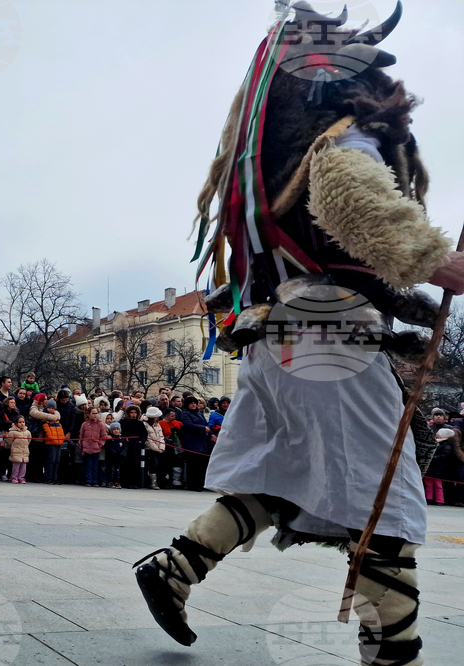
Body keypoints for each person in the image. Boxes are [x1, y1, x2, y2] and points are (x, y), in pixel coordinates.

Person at [135, 7, 447, 663]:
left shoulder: (271, 155)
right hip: (335, 338)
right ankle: (394, 646)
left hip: (275, 332)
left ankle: (176, 567)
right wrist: (436, 262)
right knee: (382, 491)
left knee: (276, 475)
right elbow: (354, 202)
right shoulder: (338, 139)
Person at [178, 397, 211, 492]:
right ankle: (192, 484)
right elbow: (188, 425)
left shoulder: (199, 414)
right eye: (191, 403)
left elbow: (206, 424)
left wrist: (210, 432)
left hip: (202, 442)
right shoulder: (185, 414)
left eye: (195, 403)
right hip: (192, 441)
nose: (193, 405)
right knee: (193, 464)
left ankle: (200, 483)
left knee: (202, 464)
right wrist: (202, 428)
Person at [79, 407, 108, 488]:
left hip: (96, 448)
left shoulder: (100, 424)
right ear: (88, 414)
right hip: (87, 448)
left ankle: (95, 481)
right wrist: (82, 447)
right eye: (93, 413)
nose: (95, 415)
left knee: (95, 466)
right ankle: (88, 480)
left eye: (96, 413)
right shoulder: (84, 424)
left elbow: (104, 436)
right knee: (88, 465)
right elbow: (81, 436)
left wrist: (100, 444)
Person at [43, 399, 66, 484]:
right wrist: (52, 438)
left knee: (57, 461)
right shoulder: (45, 419)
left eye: (53, 408)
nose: (51, 409)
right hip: (51, 442)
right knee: (51, 460)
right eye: (49, 407)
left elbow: (61, 431)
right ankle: (48, 477)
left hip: (58, 442)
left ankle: (54, 477)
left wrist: (62, 438)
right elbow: (47, 431)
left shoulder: (58, 421)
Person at [7, 416, 32, 483]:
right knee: (16, 466)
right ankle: (14, 477)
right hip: (16, 451)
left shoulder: (28, 432)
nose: (22, 424)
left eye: (23, 422)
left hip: (25, 451)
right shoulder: (12, 432)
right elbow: (9, 442)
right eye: (20, 422)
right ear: (16, 423)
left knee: (23, 466)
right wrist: (13, 448)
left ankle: (21, 477)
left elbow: (28, 441)